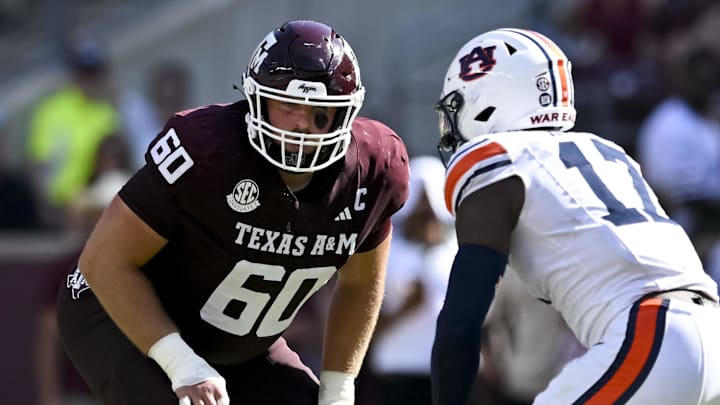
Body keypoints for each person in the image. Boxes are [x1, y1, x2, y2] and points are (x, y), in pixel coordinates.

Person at [56, 19, 409, 405]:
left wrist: (339, 390)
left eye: (319, 111)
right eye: (287, 105)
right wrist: (181, 364)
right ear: (256, 99)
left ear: (347, 113)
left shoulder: (373, 169)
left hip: (242, 347)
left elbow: (360, 285)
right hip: (119, 315)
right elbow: (104, 261)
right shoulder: (208, 150)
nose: (302, 124)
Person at [430, 28, 720, 405]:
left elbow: (460, 323)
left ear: (488, 99)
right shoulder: (609, 152)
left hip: (651, 335)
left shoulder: (496, 161)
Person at [369, 155, 455, 405]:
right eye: (420, 200)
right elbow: (360, 319)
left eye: (432, 203)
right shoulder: (386, 252)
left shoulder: (456, 252)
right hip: (397, 370)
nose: (426, 211)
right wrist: (405, 308)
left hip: (446, 373)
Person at [26, 39, 119, 222]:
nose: (89, 80)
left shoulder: (108, 114)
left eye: (94, 73)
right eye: (84, 72)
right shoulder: (52, 111)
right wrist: (45, 205)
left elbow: (113, 166)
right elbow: (38, 163)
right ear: (74, 74)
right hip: (55, 207)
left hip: (93, 209)